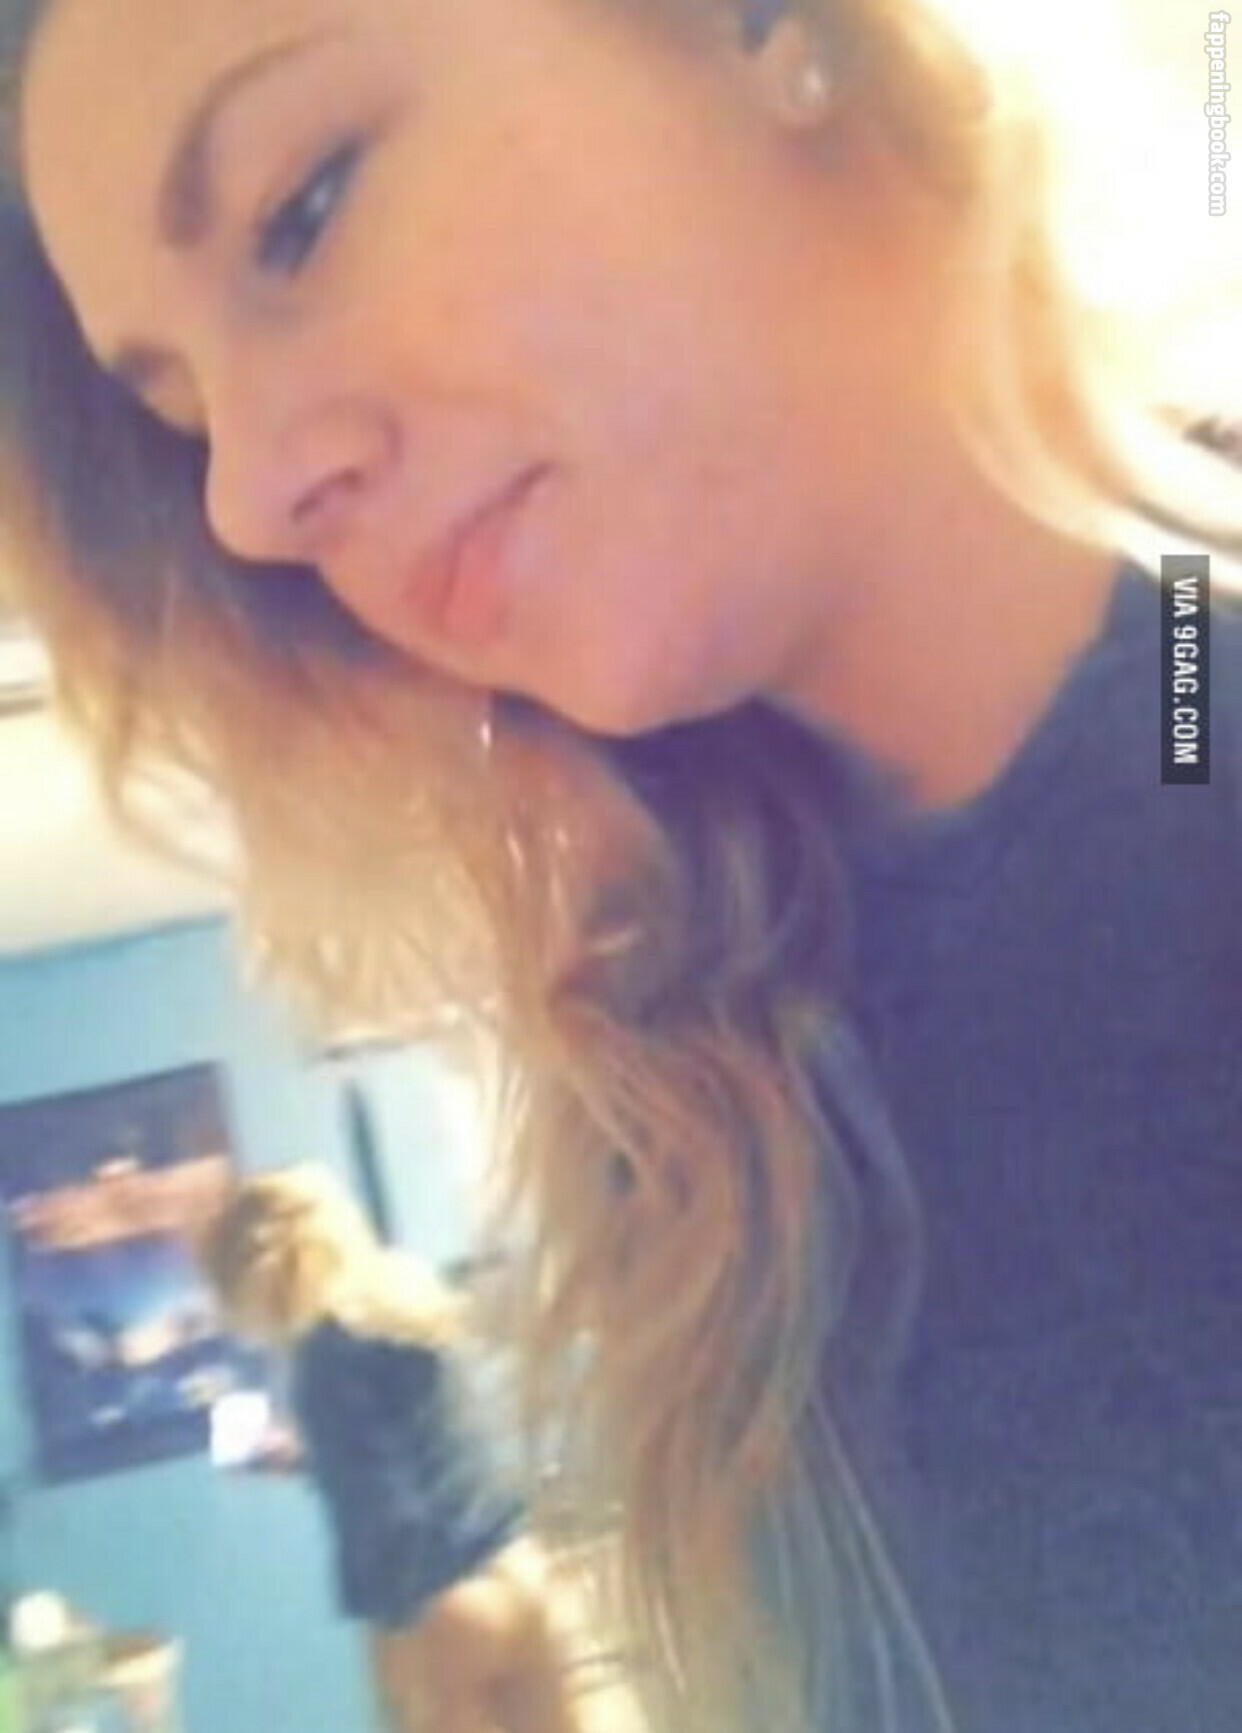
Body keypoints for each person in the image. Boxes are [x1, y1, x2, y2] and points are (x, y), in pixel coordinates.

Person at [0, 2, 1239, 1731]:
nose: (250, 497)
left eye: (305, 205)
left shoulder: (1188, 692)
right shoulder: (683, 1067)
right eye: (186, 411)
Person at [198, 1164, 586, 1733]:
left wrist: (400, 1643)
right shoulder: (404, 1301)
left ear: (253, 1278)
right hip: (521, 1571)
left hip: (445, 1608)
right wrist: (313, 1460)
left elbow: (389, 1511)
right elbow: (431, 1450)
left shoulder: (322, 1354)